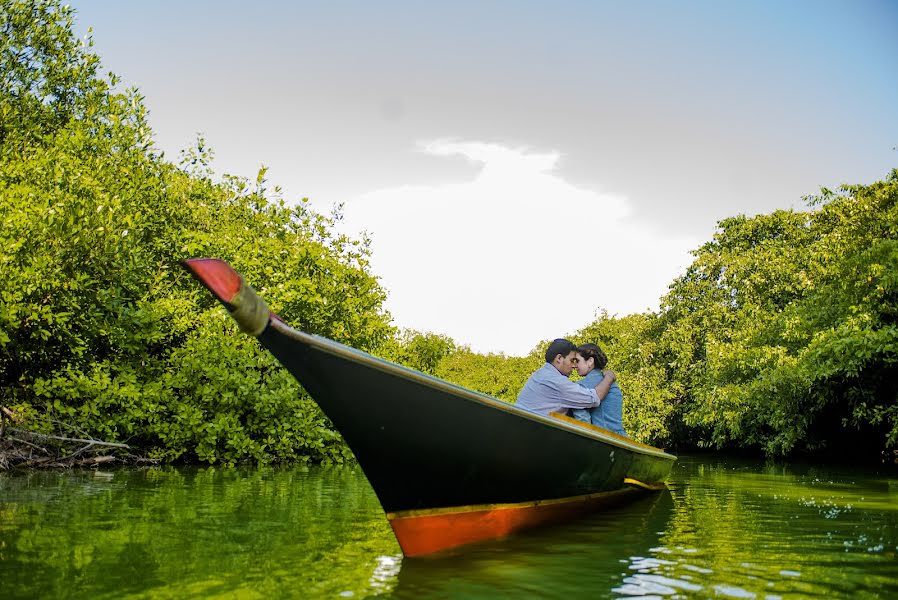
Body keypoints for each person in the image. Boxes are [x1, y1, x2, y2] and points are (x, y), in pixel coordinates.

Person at [517, 339, 616, 417]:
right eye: (572, 360)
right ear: (559, 358)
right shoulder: (556, 382)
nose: (574, 366)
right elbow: (593, 398)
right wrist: (609, 377)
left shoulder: (540, 374)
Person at [571, 343, 626, 436]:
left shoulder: (583, 385)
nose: (575, 366)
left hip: (603, 439)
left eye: (578, 361)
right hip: (621, 438)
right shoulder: (611, 382)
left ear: (590, 361)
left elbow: (582, 421)